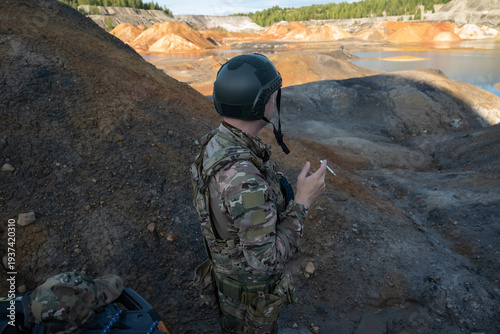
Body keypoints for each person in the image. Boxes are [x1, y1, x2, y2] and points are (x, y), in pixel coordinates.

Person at [191, 53, 326, 334]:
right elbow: (266, 262)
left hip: (229, 285)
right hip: (248, 304)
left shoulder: (216, 142)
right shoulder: (243, 177)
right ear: (261, 104)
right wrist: (303, 201)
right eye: (273, 95)